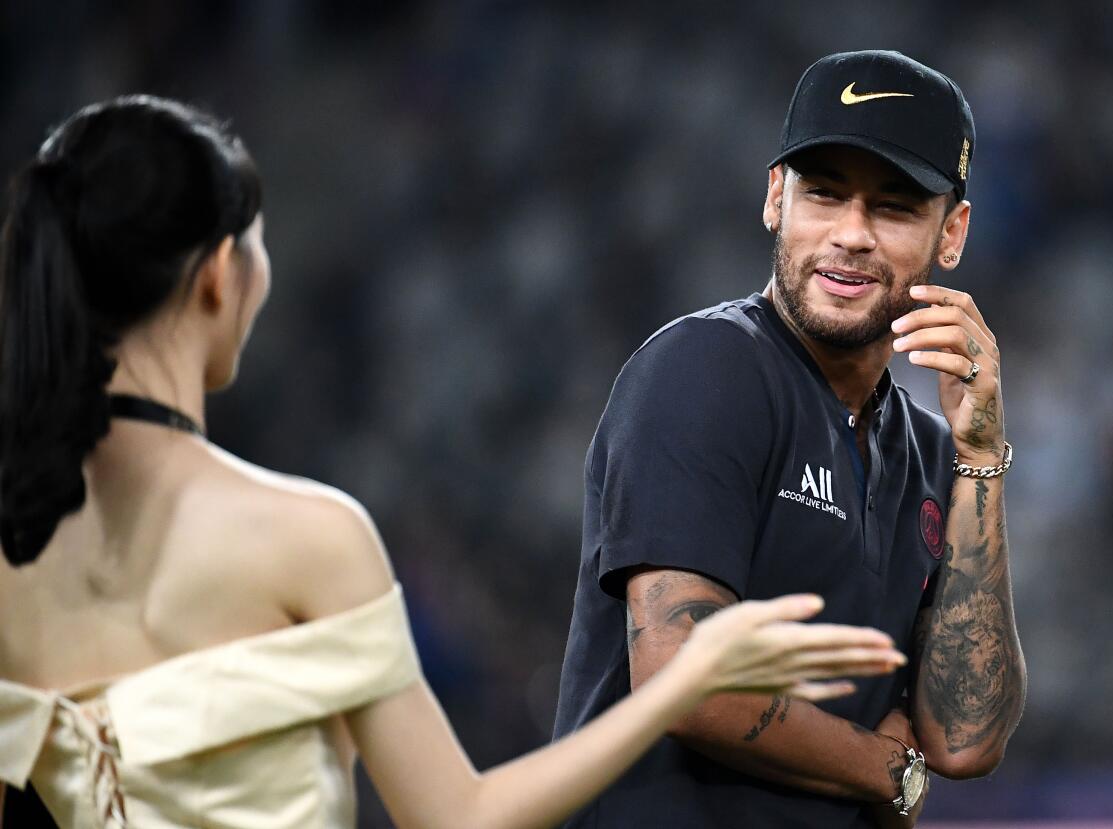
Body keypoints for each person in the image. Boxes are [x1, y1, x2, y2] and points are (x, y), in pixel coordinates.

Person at [0, 95, 909, 829]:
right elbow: (457, 816)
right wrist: (691, 681)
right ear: (215, 275)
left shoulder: (18, 540)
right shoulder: (305, 535)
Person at [553, 49, 1027, 828]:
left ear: (953, 233)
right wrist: (888, 769)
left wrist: (982, 458)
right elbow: (687, 679)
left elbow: (969, 739)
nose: (850, 234)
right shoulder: (706, 368)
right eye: (825, 193)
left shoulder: (938, 455)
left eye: (895, 206)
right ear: (776, 196)